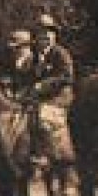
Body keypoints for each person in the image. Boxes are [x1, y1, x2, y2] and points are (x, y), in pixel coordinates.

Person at [27, 15, 77, 166]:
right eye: (42, 33)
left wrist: (44, 84)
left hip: (60, 96)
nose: (46, 36)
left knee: (44, 114)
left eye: (50, 32)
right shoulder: (35, 56)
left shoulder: (60, 53)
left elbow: (67, 77)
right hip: (40, 97)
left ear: (54, 36)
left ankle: (46, 153)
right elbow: (29, 77)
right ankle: (26, 151)